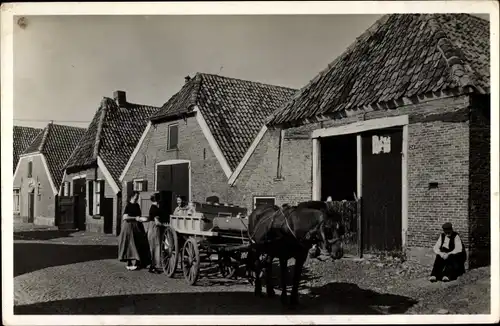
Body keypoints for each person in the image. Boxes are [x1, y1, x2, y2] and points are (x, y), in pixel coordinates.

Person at [118, 191, 150, 270]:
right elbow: (125, 217)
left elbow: (139, 216)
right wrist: (135, 218)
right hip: (129, 227)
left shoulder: (137, 205)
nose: (138, 197)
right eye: (136, 196)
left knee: (138, 243)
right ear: (132, 196)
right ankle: (130, 263)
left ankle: (138, 262)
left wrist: (142, 219)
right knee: (130, 244)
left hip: (137, 227)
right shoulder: (128, 205)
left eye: (138, 196)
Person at [143, 193, 163, 273]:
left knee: (153, 247)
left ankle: (152, 266)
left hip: (151, 227)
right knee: (156, 246)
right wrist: (164, 225)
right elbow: (157, 222)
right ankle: (154, 266)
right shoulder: (155, 209)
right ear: (158, 200)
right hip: (154, 228)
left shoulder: (152, 207)